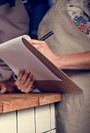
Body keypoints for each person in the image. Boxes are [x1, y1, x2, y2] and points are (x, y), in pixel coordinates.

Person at [16, 0, 90, 132]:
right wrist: (34, 80)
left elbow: (55, 60)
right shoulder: (48, 8)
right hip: (64, 104)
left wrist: (58, 60)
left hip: (85, 101)